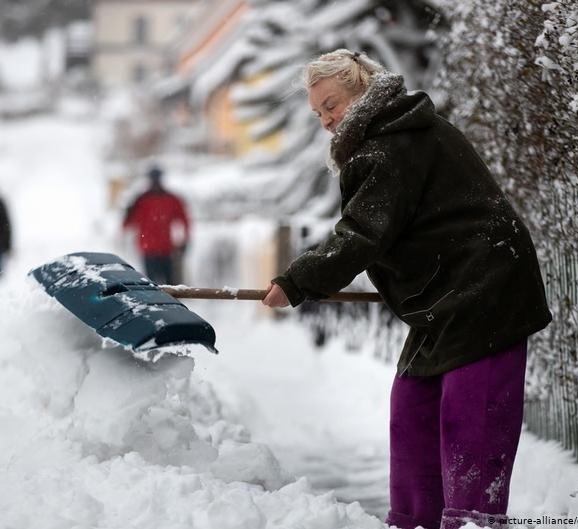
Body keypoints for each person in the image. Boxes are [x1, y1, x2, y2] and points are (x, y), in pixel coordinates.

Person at [262, 49, 552, 529]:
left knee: (470, 426)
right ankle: (416, 521)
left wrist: (297, 282)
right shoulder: (386, 138)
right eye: (318, 113)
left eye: (332, 104)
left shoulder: (392, 143)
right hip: (441, 301)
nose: (326, 119)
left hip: (486, 291)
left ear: (362, 90)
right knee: (411, 412)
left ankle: (472, 521)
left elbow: (361, 233)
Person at [123, 165, 190, 285]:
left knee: (169, 287)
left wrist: (184, 240)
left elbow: (185, 220)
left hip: (166, 249)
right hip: (149, 250)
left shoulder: (171, 199)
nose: (155, 182)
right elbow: (127, 224)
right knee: (154, 285)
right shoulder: (141, 200)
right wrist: (128, 212)